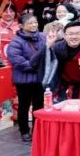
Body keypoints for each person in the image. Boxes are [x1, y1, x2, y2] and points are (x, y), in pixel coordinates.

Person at [6, 12, 52, 141]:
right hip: (24, 80)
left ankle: (38, 129)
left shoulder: (43, 37)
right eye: (30, 23)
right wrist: (37, 65)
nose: (33, 25)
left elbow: (49, 53)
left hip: (40, 78)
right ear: (21, 25)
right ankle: (24, 131)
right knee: (24, 106)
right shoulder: (15, 42)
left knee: (39, 105)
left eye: (35, 22)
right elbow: (18, 62)